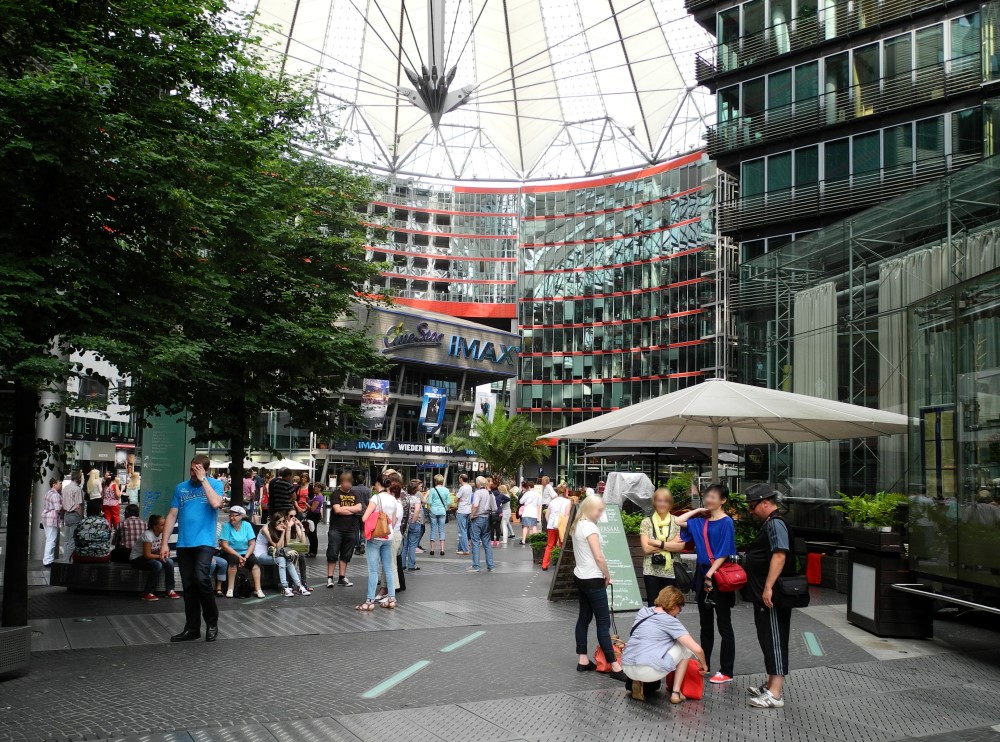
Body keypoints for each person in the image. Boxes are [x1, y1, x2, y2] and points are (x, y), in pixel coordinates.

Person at [675, 483, 737, 684]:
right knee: (705, 624)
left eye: (713, 497)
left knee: (724, 624)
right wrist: (698, 510)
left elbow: (724, 551)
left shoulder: (727, 522)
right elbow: (678, 520)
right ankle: (705, 665)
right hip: (702, 576)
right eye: (707, 496)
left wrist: (711, 574)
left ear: (723, 500)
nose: (709, 499)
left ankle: (726, 671)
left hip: (719, 575)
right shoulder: (701, 522)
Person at [160, 454, 224, 642]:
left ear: (206, 470)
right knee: (188, 586)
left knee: (201, 578)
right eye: (191, 469)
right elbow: (172, 515)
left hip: (205, 542)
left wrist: (203, 480)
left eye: (197, 470)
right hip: (184, 543)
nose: (193, 473)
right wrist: (164, 543)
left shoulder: (215, 484)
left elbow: (216, 503)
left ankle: (212, 622)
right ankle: (192, 628)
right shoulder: (181, 488)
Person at [744, 484, 797, 709]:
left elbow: (779, 555)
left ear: (765, 502)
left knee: (774, 639)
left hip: (772, 595)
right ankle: (770, 685)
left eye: (753, 506)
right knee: (768, 637)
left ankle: (775, 694)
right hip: (765, 594)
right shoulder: (770, 523)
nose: (751, 511)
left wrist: (768, 587)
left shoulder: (775, 523)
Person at [621, 586, 709, 703]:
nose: (679, 611)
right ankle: (676, 693)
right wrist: (704, 665)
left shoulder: (643, 612)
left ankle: (638, 683)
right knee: (686, 648)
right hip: (648, 670)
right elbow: (697, 649)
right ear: (674, 606)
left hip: (627, 666)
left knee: (646, 646)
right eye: (680, 608)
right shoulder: (670, 621)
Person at [571, 495, 626, 681]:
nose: (601, 514)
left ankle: (583, 660)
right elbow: (599, 557)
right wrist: (607, 575)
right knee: (603, 622)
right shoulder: (590, 527)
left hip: (580, 576)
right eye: (599, 510)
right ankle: (615, 666)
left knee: (584, 618)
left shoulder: (577, 525)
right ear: (589, 508)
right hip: (593, 578)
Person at [356, 476, 398, 610]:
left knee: (373, 570)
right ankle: (391, 599)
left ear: (377, 483)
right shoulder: (393, 499)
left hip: (375, 537)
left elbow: (364, 518)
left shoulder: (376, 498)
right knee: (388, 568)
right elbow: (394, 520)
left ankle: (369, 601)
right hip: (388, 536)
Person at [639, 488, 686, 605]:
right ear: (654, 502)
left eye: (666, 501)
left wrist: (657, 543)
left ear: (670, 504)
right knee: (653, 606)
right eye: (659, 501)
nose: (662, 504)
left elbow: (680, 547)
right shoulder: (646, 522)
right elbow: (646, 549)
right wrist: (670, 544)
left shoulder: (677, 522)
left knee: (671, 606)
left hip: (672, 570)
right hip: (651, 571)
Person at [254, 514, 311, 596]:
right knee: (282, 559)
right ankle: (285, 587)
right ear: (274, 522)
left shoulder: (276, 529)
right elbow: (277, 546)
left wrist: (286, 530)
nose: (281, 523)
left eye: (283, 521)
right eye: (279, 522)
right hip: (260, 555)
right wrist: (283, 532)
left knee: (287, 559)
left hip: (269, 553)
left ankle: (299, 585)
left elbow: (284, 545)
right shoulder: (265, 529)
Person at [130, 514, 180, 601]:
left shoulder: (162, 534)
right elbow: (147, 555)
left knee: (170, 562)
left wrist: (165, 554)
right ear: (154, 527)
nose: (164, 527)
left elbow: (161, 550)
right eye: (162, 525)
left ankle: (170, 590)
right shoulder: (148, 535)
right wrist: (160, 556)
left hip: (151, 557)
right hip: (137, 559)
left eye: (165, 524)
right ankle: (148, 592)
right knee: (157, 565)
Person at [326, 472, 362, 588]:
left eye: (349, 482)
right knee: (332, 552)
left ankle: (342, 577)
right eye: (345, 482)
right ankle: (330, 578)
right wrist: (352, 510)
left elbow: (359, 508)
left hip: (351, 529)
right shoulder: (335, 494)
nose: (347, 484)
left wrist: (344, 508)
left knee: (346, 554)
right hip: (336, 528)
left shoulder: (355, 493)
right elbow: (337, 510)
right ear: (341, 482)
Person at [219, 505, 263, 599]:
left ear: (241, 516)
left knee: (255, 563)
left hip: (245, 553)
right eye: (230, 515)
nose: (232, 518)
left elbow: (252, 544)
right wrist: (238, 556)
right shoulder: (227, 526)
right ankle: (230, 589)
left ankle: (258, 589)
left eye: (234, 515)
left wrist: (245, 557)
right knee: (233, 561)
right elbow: (224, 545)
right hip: (230, 552)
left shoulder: (247, 525)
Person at [467, 476, 497, 573]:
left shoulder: (478, 492)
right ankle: (490, 565)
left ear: (478, 484)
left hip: (477, 518)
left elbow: (475, 505)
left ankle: (476, 566)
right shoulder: (490, 493)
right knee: (487, 543)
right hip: (487, 519)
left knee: (475, 542)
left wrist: (471, 515)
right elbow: (495, 508)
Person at [541, 483, 572, 571]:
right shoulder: (568, 502)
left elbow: (547, 515)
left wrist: (550, 523)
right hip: (562, 525)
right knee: (562, 545)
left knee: (550, 545)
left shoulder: (552, 501)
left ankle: (544, 565)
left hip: (551, 525)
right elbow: (567, 515)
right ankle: (561, 564)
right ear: (565, 492)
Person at [60, 470, 84, 562]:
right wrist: (82, 517)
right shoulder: (77, 489)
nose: (81, 479)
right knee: (73, 540)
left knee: (66, 540)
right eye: (81, 477)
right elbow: (78, 506)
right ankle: (68, 560)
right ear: (78, 478)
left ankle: (65, 559)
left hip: (67, 514)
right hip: (75, 515)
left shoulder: (65, 488)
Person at [424, 474, 450, 556]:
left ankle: (432, 550)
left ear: (435, 481)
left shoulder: (432, 490)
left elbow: (429, 502)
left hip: (433, 511)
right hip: (442, 511)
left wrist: (429, 509)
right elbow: (449, 502)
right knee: (441, 530)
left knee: (433, 529)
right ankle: (442, 550)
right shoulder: (446, 490)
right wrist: (445, 509)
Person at [41, 477, 62, 567]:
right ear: (54, 484)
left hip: (46, 518)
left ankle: (48, 559)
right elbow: (58, 508)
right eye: (59, 483)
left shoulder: (48, 493)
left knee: (49, 539)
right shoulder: (55, 495)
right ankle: (48, 560)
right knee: (51, 540)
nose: (61, 485)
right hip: (52, 519)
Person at [403, 480, 423, 571]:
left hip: (405, 523)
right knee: (412, 545)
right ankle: (411, 565)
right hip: (414, 523)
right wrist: (414, 521)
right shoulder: (416, 499)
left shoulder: (405, 498)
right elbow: (417, 510)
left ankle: (402, 564)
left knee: (405, 545)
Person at [454, 473, 473, 555]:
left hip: (462, 510)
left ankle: (465, 549)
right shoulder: (469, 487)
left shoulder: (462, 488)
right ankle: (460, 548)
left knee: (462, 531)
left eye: (459, 478)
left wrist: (459, 499)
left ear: (461, 479)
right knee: (465, 530)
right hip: (468, 510)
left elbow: (455, 499)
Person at [304, 483, 324, 557]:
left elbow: (312, 509)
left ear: (319, 488)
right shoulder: (317, 497)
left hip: (313, 516)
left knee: (312, 533)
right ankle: (312, 551)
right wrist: (308, 500)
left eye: (315, 487)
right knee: (311, 533)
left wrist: (306, 504)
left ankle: (313, 551)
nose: (314, 488)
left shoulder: (318, 497)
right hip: (314, 516)